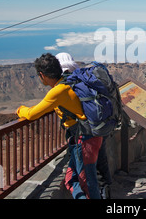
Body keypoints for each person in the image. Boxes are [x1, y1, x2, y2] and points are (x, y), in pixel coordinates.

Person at [16, 53, 102, 199]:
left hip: (84, 139)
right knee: (72, 178)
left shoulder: (57, 91)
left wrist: (19, 110)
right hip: (89, 137)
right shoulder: (67, 81)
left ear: (42, 75)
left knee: (87, 182)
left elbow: (31, 114)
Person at [56, 52, 111, 199]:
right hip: (98, 129)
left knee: (85, 177)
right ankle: (105, 189)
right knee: (97, 167)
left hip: (83, 136)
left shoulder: (67, 84)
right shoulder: (82, 80)